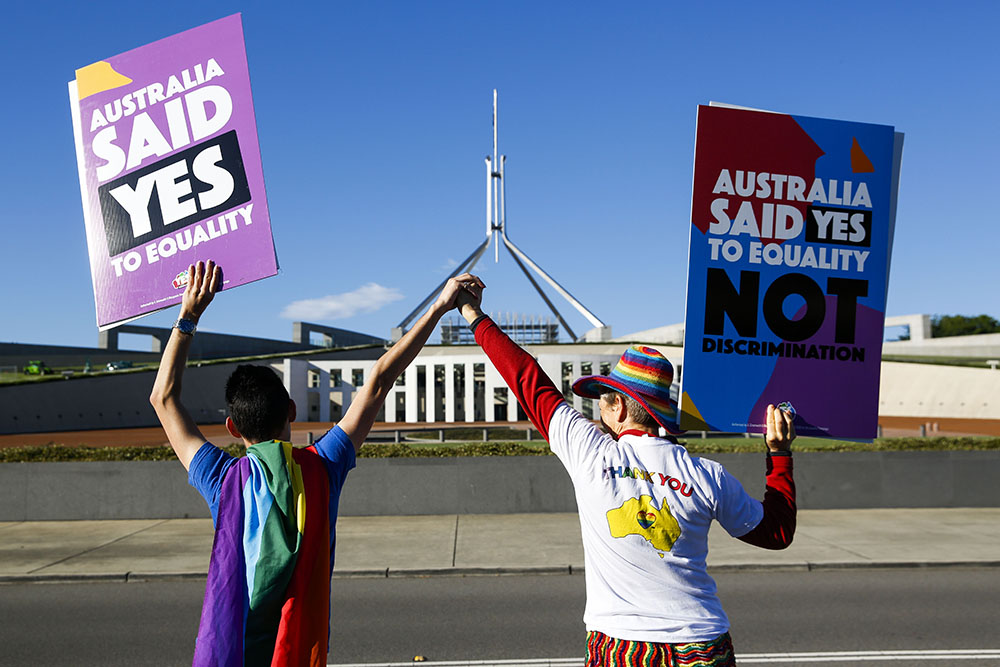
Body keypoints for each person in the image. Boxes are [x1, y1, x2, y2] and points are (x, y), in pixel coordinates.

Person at [454, 276, 795, 667]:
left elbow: (526, 378)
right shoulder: (708, 475)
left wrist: (473, 313)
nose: (596, 409)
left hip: (622, 648)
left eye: (601, 400)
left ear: (616, 406)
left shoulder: (589, 452)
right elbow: (777, 533)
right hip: (703, 643)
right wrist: (779, 454)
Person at [150, 260, 476, 666]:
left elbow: (163, 399)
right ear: (291, 411)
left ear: (233, 427)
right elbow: (378, 381)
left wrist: (188, 315)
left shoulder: (222, 480)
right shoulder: (323, 469)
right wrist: (441, 306)